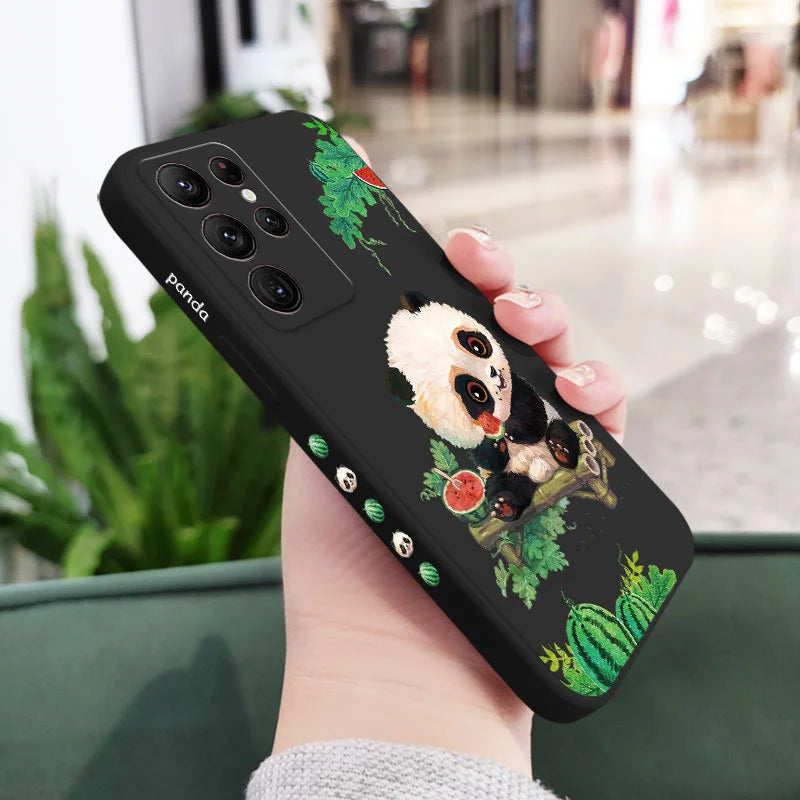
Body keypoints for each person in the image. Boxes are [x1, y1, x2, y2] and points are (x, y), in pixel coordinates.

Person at [246, 139, 627, 800]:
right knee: (511, 475)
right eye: (473, 390)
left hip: (518, 453)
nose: (492, 378)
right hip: (496, 475)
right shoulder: (426, 420)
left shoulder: (456, 362)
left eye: (477, 346)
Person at [590, 1, 627, 112]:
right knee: (601, 87)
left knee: (604, 88)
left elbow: (610, 45)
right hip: (606, 62)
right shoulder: (616, 23)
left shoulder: (612, 23)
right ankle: (601, 109)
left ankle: (602, 109)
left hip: (607, 62)